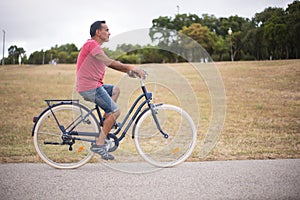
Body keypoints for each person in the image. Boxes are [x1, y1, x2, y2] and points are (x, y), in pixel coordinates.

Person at [76, 21, 146, 160]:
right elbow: (109, 62)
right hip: (90, 87)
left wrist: (127, 71)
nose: (109, 33)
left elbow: (110, 62)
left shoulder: (95, 47)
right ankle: (99, 143)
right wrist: (130, 68)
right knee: (116, 111)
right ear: (98, 32)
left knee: (115, 90)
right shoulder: (91, 45)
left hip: (94, 85)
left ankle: (107, 120)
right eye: (107, 30)